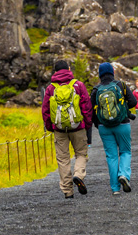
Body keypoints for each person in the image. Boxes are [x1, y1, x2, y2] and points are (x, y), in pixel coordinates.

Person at [42, 60, 92, 199]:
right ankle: (78, 175)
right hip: (78, 127)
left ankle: (68, 191)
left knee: (63, 159)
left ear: (55, 72)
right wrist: (87, 125)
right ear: (69, 69)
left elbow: (45, 110)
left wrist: (50, 127)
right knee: (81, 154)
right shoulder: (78, 85)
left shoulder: (51, 88)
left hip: (59, 128)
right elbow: (86, 106)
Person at [91, 62, 137, 195]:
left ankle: (115, 188)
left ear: (100, 74)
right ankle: (124, 175)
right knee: (125, 152)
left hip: (104, 127)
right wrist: (124, 110)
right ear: (112, 72)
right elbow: (133, 101)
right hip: (122, 124)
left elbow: (91, 110)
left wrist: (97, 124)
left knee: (111, 156)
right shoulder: (120, 85)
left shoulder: (96, 90)